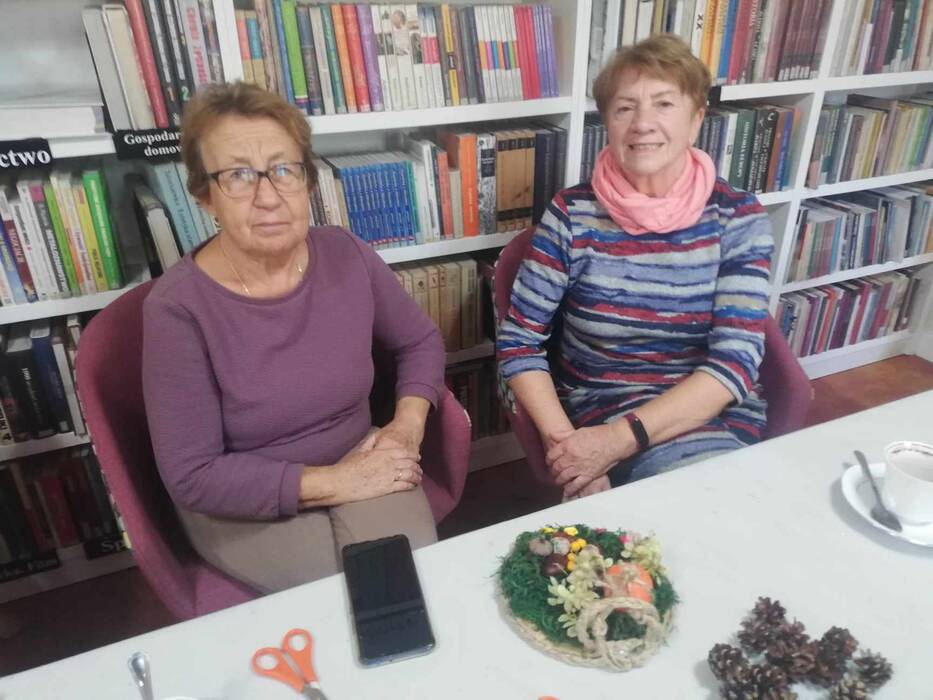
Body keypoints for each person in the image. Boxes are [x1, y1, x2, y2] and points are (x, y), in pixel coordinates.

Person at [142, 82, 445, 594]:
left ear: (307, 181)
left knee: (402, 589)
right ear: (204, 196)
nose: (268, 197)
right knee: (331, 604)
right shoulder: (176, 309)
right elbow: (193, 474)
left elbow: (420, 342)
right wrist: (336, 483)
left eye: (284, 169)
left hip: (363, 456)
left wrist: (405, 429)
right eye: (238, 175)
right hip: (244, 498)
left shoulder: (346, 253)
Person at [497, 34, 773, 501]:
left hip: (705, 414)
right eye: (625, 108)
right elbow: (519, 340)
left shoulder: (737, 217)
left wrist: (619, 441)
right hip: (596, 410)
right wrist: (570, 450)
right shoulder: (572, 214)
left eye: (664, 104)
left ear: (696, 119)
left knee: (725, 509)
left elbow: (735, 360)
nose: (643, 124)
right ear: (607, 122)